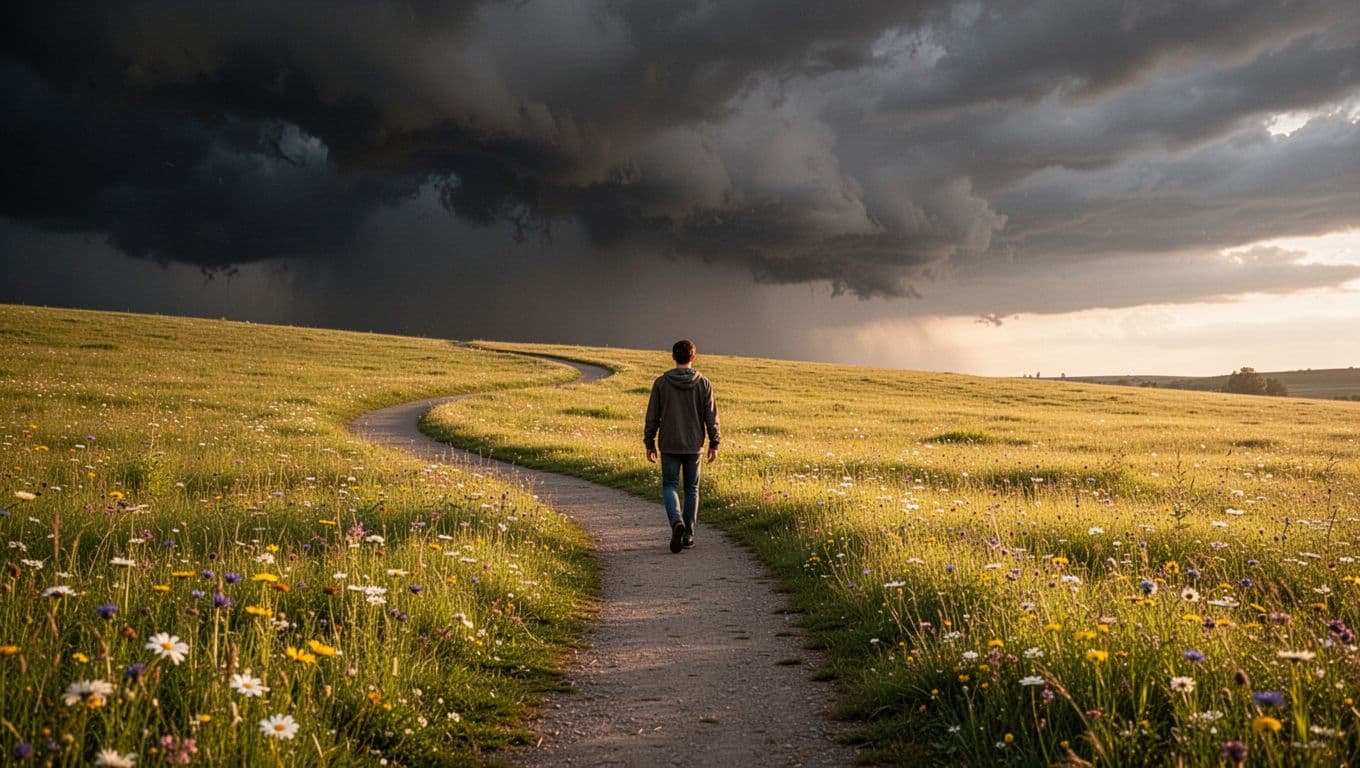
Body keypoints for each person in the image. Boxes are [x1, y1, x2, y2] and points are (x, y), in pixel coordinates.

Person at [644, 339, 720, 553]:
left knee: (669, 485)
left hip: (669, 443)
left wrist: (649, 443)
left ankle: (676, 522)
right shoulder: (704, 383)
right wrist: (715, 442)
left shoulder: (661, 383)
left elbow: (652, 417)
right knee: (692, 489)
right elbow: (711, 417)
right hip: (694, 445)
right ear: (693, 357)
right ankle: (688, 535)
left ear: (673, 357)